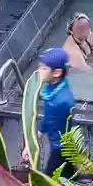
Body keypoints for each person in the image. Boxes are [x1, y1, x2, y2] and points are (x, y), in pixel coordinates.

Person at [33, 46, 75, 175]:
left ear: (56, 73)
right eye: (39, 67)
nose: (38, 71)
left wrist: (33, 144)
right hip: (63, 144)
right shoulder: (54, 89)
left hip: (61, 148)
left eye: (44, 68)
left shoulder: (58, 101)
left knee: (50, 180)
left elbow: (48, 121)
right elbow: (47, 119)